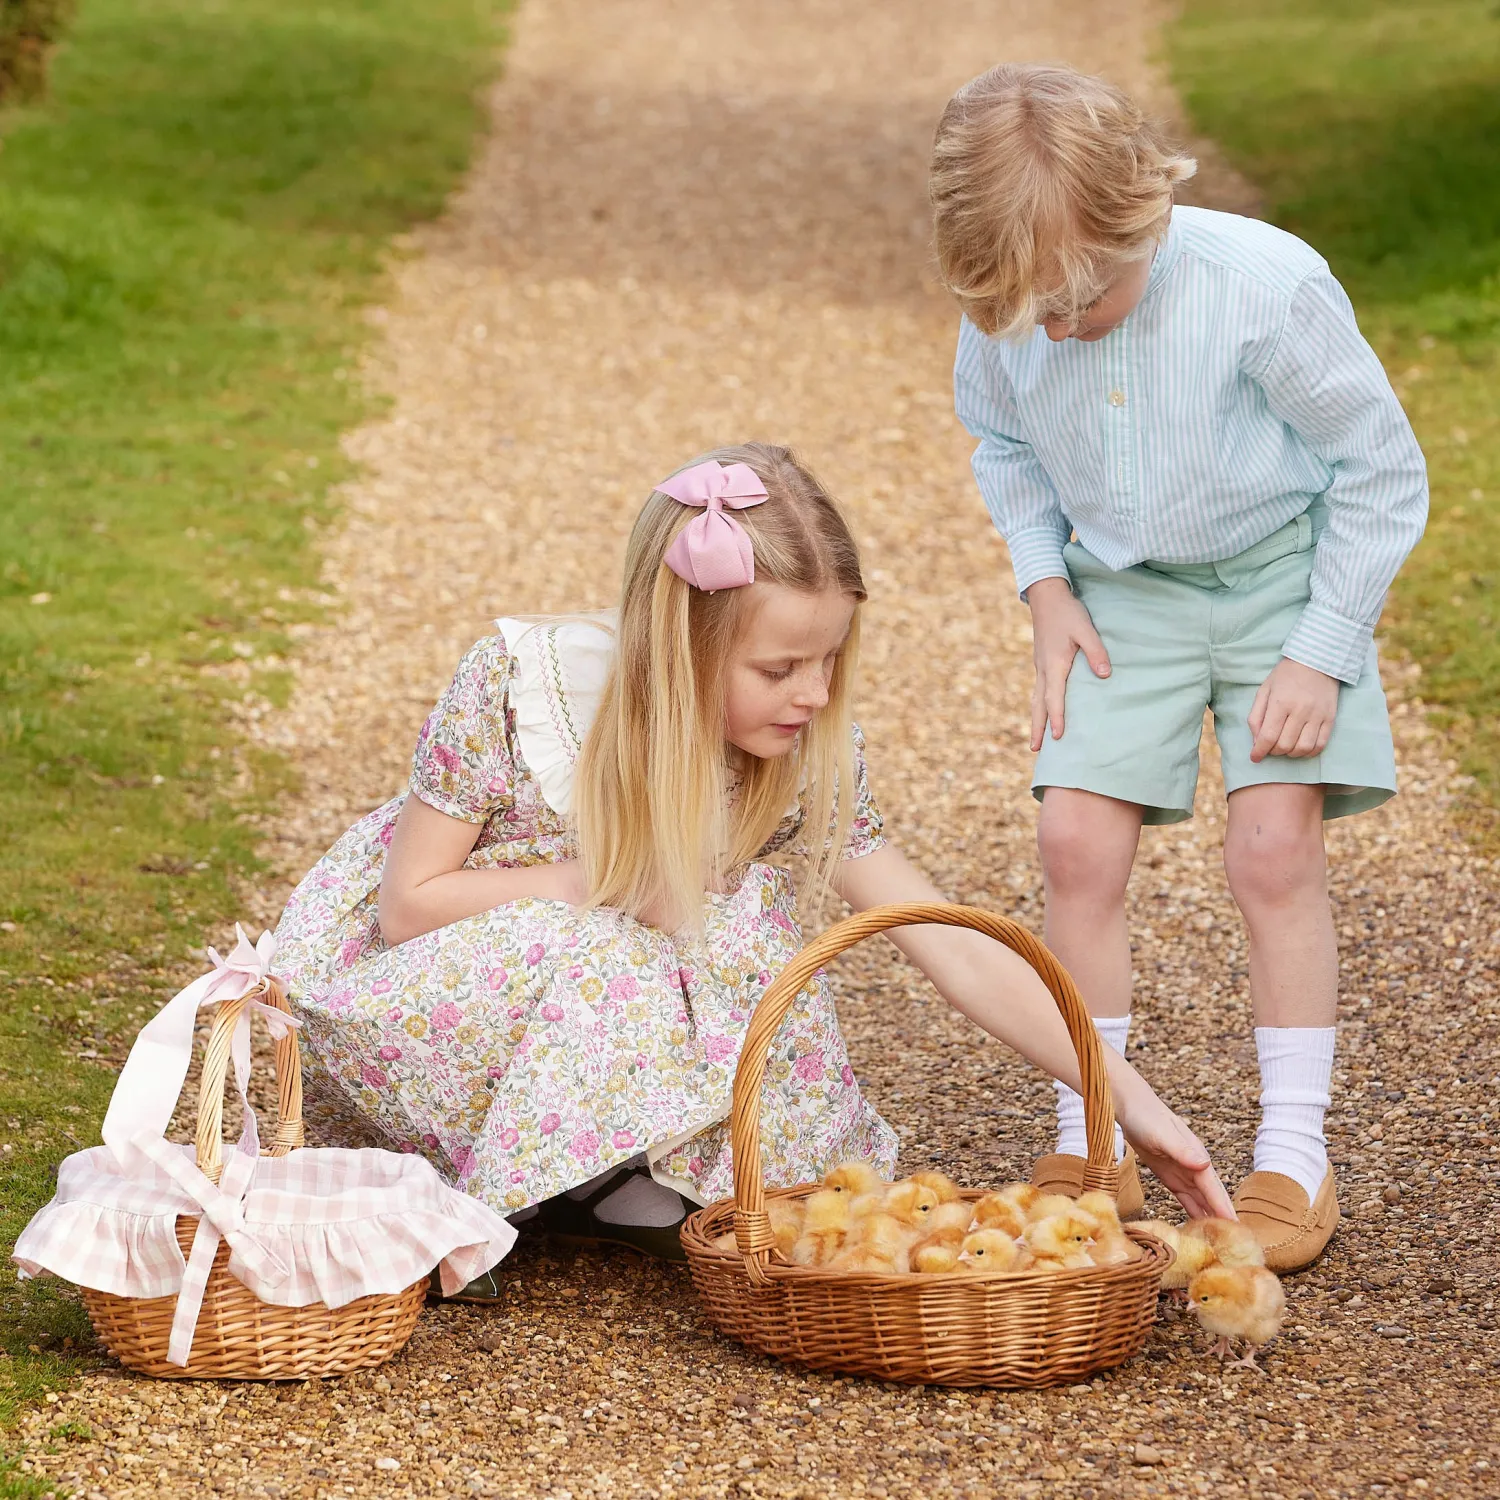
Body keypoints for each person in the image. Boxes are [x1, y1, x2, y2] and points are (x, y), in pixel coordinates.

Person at [273, 442, 1231, 1296]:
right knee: (624, 941)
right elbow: (410, 905)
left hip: (609, 989)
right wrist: (609, 881)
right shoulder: (522, 689)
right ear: (681, 649)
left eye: (828, 662)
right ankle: (513, 1180)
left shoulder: (799, 750)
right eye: (779, 670)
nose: (813, 694)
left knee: (742, 966)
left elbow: (948, 939)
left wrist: (1132, 1106)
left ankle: (607, 1181)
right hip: (437, 993)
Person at [932, 65, 1427, 1271]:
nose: (1054, 328)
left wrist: (1322, 647)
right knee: (1075, 846)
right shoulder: (1011, 307)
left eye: (1081, 300)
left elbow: (1379, 469)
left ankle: (1292, 1157)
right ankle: (1089, 1131)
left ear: (1142, 219)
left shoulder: (1263, 287)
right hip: (1119, 591)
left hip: (1281, 583)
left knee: (1272, 850)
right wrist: (1045, 590)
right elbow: (1003, 444)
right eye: (1028, 315)